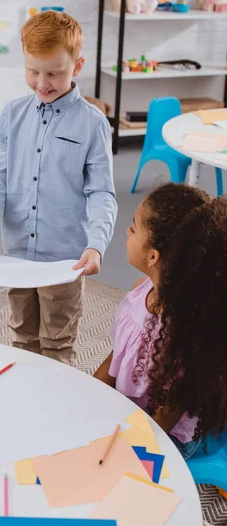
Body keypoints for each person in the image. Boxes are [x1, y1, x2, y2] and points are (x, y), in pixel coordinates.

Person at [0, 10, 117, 365]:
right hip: (17, 254)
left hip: (65, 259)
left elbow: (101, 192)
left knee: (57, 341)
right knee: (22, 335)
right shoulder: (12, 114)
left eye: (54, 73)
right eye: (33, 72)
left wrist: (96, 245)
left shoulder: (93, 124)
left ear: (77, 66)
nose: (43, 82)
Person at [94, 183, 227, 458]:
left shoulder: (183, 330)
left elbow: (166, 414)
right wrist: (86, 390)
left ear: (153, 256)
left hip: (168, 432)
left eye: (134, 228)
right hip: (136, 411)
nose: (127, 233)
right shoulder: (141, 289)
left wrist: (125, 448)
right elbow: (118, 353)